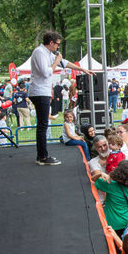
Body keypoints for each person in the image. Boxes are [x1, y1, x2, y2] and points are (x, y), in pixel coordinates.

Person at [28, 29, 83, 166]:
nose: (58, 47)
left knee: (43, 124)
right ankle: (42, 156)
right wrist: (56, 61)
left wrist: (82, 70)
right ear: (51, 43)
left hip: (43, 92)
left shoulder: (47, 53)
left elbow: (64, 62)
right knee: (43, 125)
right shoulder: (40, 53)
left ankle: (42, 155)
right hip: (39, 92)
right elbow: (46, 73)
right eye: (57, 44)